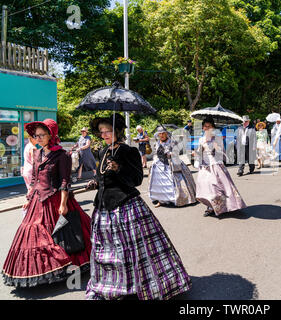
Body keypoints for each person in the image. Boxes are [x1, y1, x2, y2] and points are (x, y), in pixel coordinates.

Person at [85, 114, 191, 300]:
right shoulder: (102, 152)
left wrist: (118, 168)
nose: (104, 135)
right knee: (109, 252)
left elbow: (136, 180)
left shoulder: (128, 152)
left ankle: (138, 285)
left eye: (108, 131)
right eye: (101, 132)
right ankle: (114, 285)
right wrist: (95, 181)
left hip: (125, 206)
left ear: (117, 131)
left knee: (133, 251)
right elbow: (102, 176)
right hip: (103, 207)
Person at [2, 119, 92, 287]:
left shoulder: (62, 155)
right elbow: (35, 180)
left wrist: (63, 203)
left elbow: (65, 181)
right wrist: (28, 199)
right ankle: (44, 269)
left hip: (55, 198)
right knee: (34, 234)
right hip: (37, 199)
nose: (39, 138)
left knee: (63, 234)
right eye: (36, 135)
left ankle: (69, 265)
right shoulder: (36, 153)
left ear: (51, 134)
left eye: (42, 135)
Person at [193, 117, 246, 217]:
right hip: (204, 165)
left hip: (215, 164)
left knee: (217, 186)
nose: (206, 128)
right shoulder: (201, 139)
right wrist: (197, 152)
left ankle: (225, 205)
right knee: (205, 187)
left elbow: (221, 152)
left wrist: (215, 144)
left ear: (213, 127)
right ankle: (209, 207)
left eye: (209, 126)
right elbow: (198, 152)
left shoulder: (217, 137)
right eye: (205, 126)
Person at [148, 126, 196, 208]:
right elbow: (156, 153)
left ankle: (175, 199)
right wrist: (155, 160)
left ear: (166, 134)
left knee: (174, 182)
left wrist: (170, 154)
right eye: (160, 134)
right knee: (160, 184)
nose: (162, 135)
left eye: (163, 133)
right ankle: (161, 200)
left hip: (172, 163)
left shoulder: (172, 142)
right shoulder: (157, 143)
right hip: (159, 165)